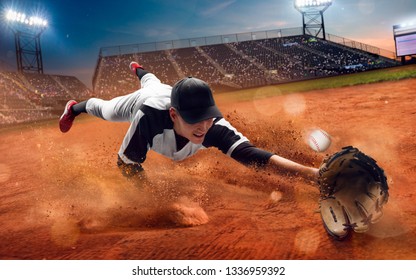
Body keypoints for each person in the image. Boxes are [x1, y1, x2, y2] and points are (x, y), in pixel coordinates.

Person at [59, 61, 319, 181]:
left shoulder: (212, 124)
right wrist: (153, 202)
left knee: (152, 78)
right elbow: (126, 163)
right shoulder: (149, 118)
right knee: (106, 109)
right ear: (173, 114)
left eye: (207, 117)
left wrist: (312, 175)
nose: (203, 126)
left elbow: (251, 155)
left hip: (163, 89)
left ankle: (139, 69)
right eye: (195, 119)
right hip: (144, 98)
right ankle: (75, 108)